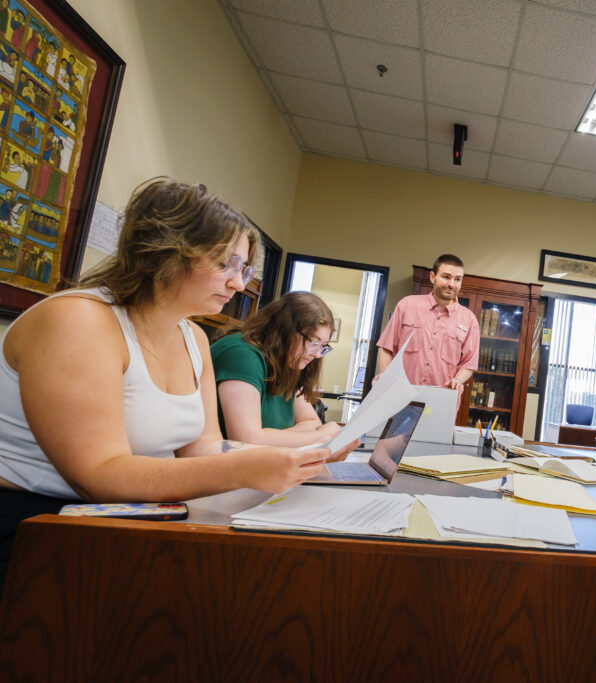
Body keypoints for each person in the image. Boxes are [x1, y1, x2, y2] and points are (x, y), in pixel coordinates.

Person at [0, 178, 342, 591]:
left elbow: (206, 448)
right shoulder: (79, 321)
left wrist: (306, 455)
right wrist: (246, 469)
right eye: (225, 265)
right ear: (166, 252)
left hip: (126, 514)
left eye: (244, 269)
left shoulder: (193, 337)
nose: (239, 284)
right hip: (35, 525)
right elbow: (97, 475)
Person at [211, 291, 355, 448]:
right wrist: (319, 436)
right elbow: (246, 439)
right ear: (285, 330)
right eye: (314, 342)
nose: (317, 354)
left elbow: (311, 421)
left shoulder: (287, 363)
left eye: (323, 346)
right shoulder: (241, 353)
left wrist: (271, 437)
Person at [375, 253, 479, 407]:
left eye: (457, 279)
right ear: (433, 277)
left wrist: (458, 380)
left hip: (441, 402)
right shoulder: (407, 306)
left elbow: (468, 364)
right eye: (446, 277)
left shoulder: (469, 320)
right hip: (400, 396)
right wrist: (386, 378)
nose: (452, 284)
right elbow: (386, 347)